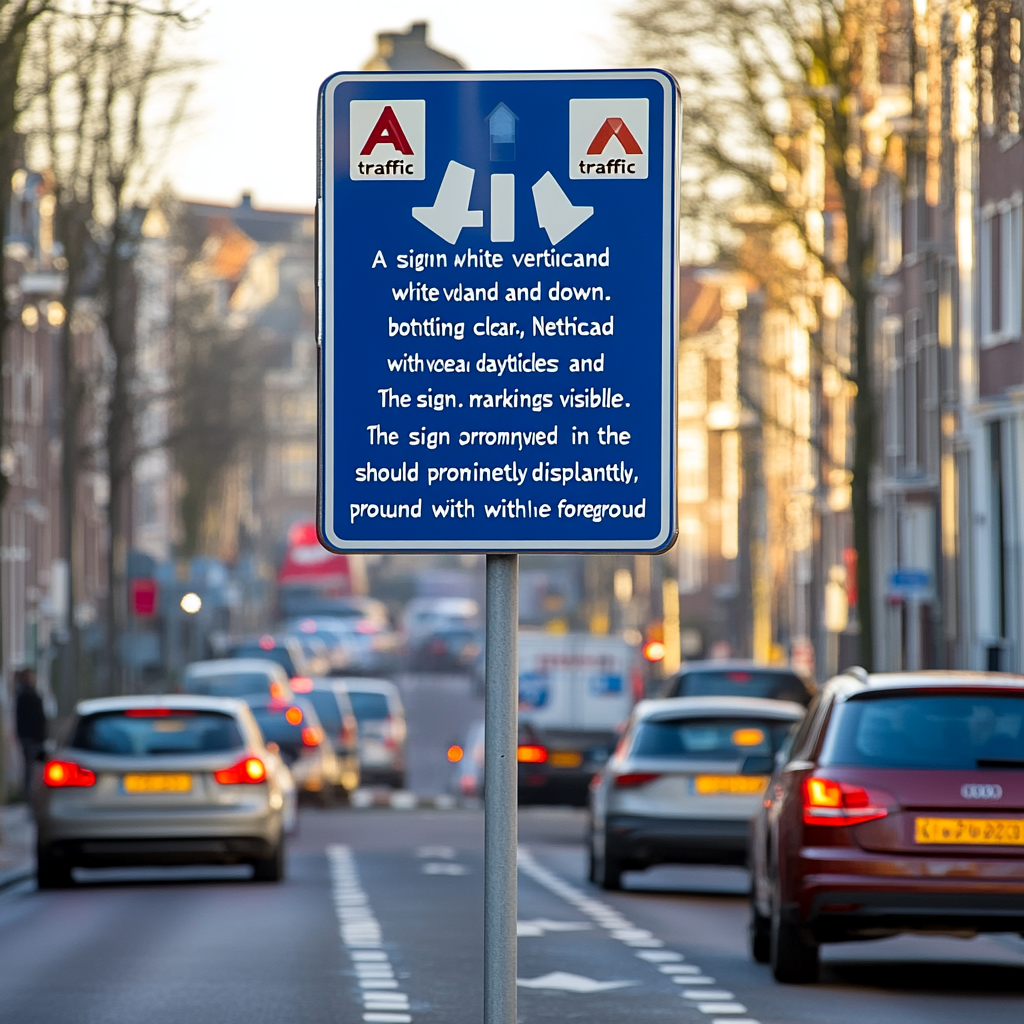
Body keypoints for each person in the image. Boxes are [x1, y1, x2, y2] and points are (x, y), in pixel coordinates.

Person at [14, 668, 46, 799]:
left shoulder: (24, 694)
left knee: (31, 767)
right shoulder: (26, 695)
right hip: (32, 738)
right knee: (32, 767)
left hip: (31, 737)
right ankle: (31, 795)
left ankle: (31, 794)